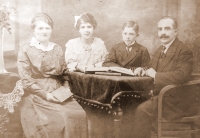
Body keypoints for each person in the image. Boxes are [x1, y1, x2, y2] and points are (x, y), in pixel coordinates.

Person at [17, 13, 88, 138]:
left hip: (59, 91)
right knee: (64, 117)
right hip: (38, 93)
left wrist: (65, 88)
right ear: (33, 30)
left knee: (80, 114)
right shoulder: (26, 49)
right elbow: (26, 80)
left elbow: (65, 73)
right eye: (40, 28)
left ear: (51, 30)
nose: (44, 32)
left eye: (47, 28)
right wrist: (46, 95)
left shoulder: (57, 48)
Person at [132, 16, 194, 138]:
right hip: (160, 96)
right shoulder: (160, 49)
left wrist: (154, 75)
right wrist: (143, 70)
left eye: (167, 29)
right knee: (130, 102)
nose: (163, 33)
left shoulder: (184, 50)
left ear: (175, 31)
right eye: (160, 29)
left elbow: (182, 76)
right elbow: (151, 68)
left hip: (175, 100)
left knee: (142, 110)